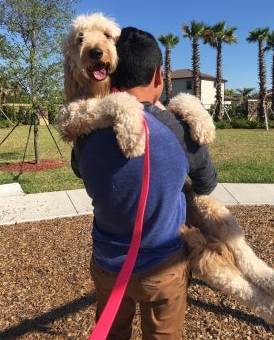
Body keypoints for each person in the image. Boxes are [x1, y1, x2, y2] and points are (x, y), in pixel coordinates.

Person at [71, 27, 218, 339]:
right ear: (159, 75)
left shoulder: (85, 130)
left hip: (108, 265)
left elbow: (79, 170)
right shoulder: (179, 129)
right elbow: (206, 183)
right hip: (163, 268)